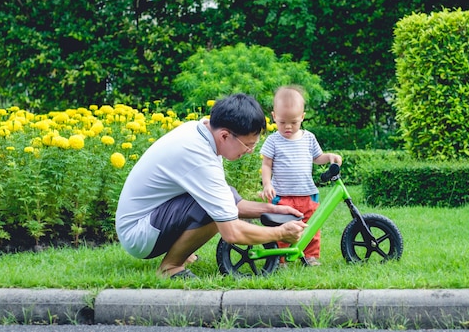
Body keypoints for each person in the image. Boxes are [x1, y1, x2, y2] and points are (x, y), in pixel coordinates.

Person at [115, 93, 306, 279]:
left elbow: (227, 200)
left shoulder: (200, 131)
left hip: (150, 219)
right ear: (224, 136)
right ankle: (171, 267)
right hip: (138, 235)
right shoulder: (198, 157)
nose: (249, 152)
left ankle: (181, 251)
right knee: (212, 209)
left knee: (222, 195)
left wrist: (271, 209)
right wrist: (281, 232)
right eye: (248, 145)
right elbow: (231, 231)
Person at [260, 85, 342, 266]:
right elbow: (266, 165)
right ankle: (281, 259)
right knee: (282, 229)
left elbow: (317, 158)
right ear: (274, 116)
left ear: (302, 117)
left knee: (311, 227)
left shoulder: (309, 138)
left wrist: (329, 157)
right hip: (282, 196)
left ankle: (310, 256)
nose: (288, 127)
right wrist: (267, 184)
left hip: (307, 195)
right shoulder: (273, 140)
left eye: (294, 122)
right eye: (282, 122)